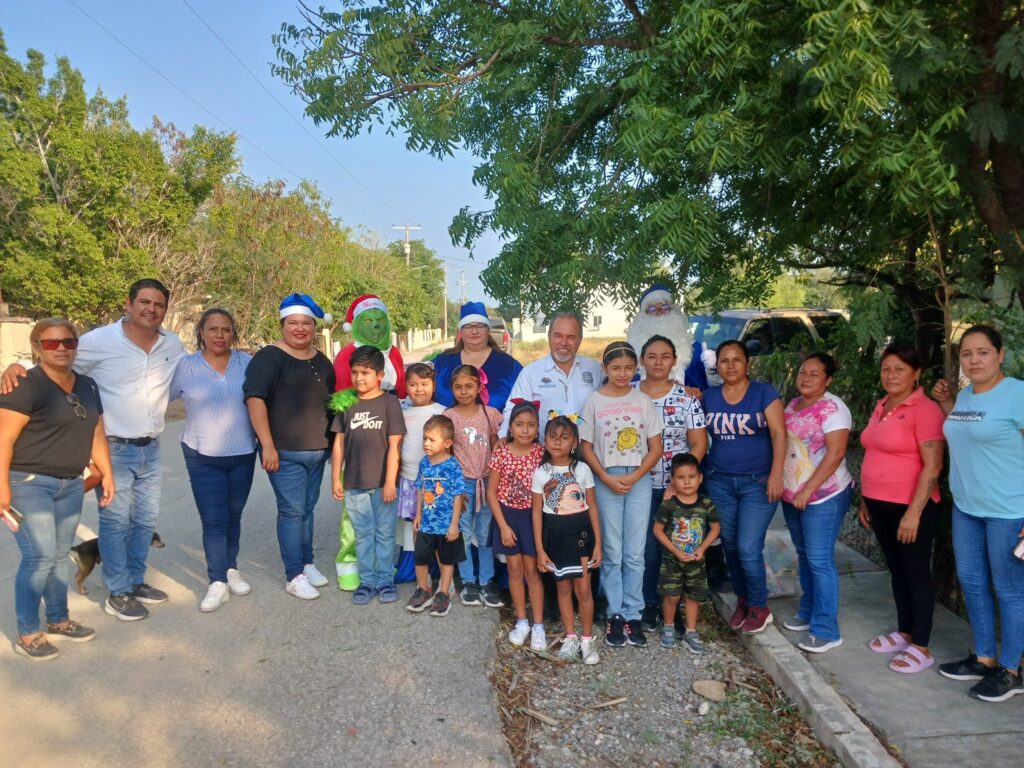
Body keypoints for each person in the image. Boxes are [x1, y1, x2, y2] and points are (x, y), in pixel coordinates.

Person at [2, 278, 186, 621]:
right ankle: (118, 591)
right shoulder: (98, 341)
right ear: (129, 304)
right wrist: (17, 371)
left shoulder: (172, 344)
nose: (151, 309)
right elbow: (56, 362)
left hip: (152, 448)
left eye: (159, 304)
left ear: (165, 309)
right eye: (144, 302)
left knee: (144, 521)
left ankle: (135, 579)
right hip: (114, 447)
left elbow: (193, 374)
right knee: (115, 523)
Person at [0, 319, 114, 660]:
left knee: (59, 556)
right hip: (28, 483)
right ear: (38, 347)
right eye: (51, 343)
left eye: (67, 341)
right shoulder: (24, 383)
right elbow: (4, 437)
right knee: (40, 556)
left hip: (70, 485)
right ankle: (28, 631)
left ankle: (59, 620)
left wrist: (107, 474)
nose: (61, 347)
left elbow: (96, 434)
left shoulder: (89, 386)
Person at [932, 325, 1024, 702]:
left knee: (1009, 591)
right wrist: (947, 406)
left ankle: (1011, 670)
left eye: (983, 352)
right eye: (967, 354)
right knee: (971, 582)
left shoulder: (1017, 394)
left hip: (1009, 510)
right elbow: (969, 435)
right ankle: (985, 658)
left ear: (1000, 355)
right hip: (967, 508)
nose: (974, 360)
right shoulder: (966, 396)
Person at [858, 345, 945, 673]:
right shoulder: (882, 405)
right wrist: (866, 498)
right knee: (897, 571)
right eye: (886, 369)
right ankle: (905, 631)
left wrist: (913, 513)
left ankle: (922, 646)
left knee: (916, 574)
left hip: (911, 508)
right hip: (879, 505)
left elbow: (933, 467)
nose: (891, 375)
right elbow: (874, 452)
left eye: (899, 369)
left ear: (917, 373)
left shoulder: (926, 410)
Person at [244, 293, 336, 600]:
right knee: (292, 511)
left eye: (306, 323)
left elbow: (332, 404)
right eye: (293, 323)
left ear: (314, 327)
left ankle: (306, 562)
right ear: (282, 325)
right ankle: (293, 574)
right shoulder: (269, 357)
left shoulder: (322, 361)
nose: (300, 329)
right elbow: (255, 399)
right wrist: (266, 445)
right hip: (284, 453)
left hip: (317, 451)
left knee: (307, 511)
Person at [169, 308, 257, 613]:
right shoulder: (185, 367)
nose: (220, 335)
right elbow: (154, 398)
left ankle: (231, 569)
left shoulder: (247, 363)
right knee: (214, 520)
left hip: (243, 451)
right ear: (201, 333)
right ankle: (216, 581)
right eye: (213, 329)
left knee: (234, 516)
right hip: (201, 453)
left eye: (226, 329)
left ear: (233, 333)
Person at [580, 341, 664, 648]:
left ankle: (634, 614)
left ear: (636, 368)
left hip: (638, 479)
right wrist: (605, 477)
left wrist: (636, 475)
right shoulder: (594, 402)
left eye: (629, 368)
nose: (623, 373)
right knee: (612, 551)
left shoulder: (642, 401)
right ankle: (615, 614)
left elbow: (656, 448)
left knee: (635, 552)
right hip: (606, 480)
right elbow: (585, 446)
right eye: (616, 368)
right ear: (605, 369)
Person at [702, 340, 786, 635]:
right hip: (720, 481)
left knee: (747, 547)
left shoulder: (765, 394)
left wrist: (777, 475)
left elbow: (779, 435)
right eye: (724, 361)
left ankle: (760, 607)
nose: (731, 366)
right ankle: (744, 600)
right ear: (717, 365)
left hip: (757, 483)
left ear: (747, 363)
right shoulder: (709, 397)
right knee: (729, 546)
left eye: (737, 360)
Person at [779, 353, 854, 654]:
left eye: (814, 374)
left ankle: (826, 629)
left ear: (828, 379)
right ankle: (808, 612)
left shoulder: (834, 409)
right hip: (793, 494)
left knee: (820, 559)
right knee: (805, 554)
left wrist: (808, 490)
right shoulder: (793, 405)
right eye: (802, 372)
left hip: (824, 496)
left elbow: (835, 454)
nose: (806, 378)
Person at [636, 334, 708, 632]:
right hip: (638, 485)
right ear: (641, 361)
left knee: (678, 548)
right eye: (651, 356)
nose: (658, 362)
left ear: (674, 361)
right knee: (647, 549)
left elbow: (698, 445)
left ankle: (674, 606)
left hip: (677, 491)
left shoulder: (686, 399)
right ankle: (649, 604)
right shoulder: (627, 394)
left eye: (665, 356)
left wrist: (679, 485)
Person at [330, 346, 406, 605]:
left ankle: (385, 579)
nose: (359, 378)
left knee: (384, 534)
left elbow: (395, 445)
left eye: (365, 372)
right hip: (354, 482)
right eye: (354, 372)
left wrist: (389, 482)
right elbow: (338, 443)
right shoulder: (347, 402)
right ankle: (368, 581)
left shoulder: (389, 403)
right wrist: (335, 478)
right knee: (362, 534)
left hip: (383, 483)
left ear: (380, 374)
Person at [533, 416, 603, 664]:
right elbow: (536, 512)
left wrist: (598, 543)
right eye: (552, 437)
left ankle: (586, 639)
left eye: (564, 438)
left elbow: (592, 507)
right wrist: (540, 549)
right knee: (563, 587)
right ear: (545, 440)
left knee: (583, 588)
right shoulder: (541, 472)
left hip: (581, 535)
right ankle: (570, 637)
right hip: (554, 535)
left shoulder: (582, 470)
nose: (557, 442)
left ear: (574, 442)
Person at [486, 400, 546, 649]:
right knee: (514, 570)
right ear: (510, 428)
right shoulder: (501, 452)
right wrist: (503, 526)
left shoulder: (542, 454)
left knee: (532, 572)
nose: (525, 430)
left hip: (532, 518)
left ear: (537, 428)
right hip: (507, 518)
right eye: (519, 425)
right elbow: (491, 493)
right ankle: (521, 621)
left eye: (531, 425)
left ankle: (538, 626)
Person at [444, 365, 503, 607]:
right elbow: (446, 453)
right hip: (462, 485)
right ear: (451, 389)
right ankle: (468, 581)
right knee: (464, 533)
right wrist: (453, 487)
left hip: (488, 482)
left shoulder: (490, 414)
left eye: (469, 386)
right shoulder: (448, 417)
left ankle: (487, 581)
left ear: (479, 387)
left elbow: (497, 445)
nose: (464, 391)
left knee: (486, 534)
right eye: (458, 387)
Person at [653, 453, 720, 653]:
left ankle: (691, 631)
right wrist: (675, 551)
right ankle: (668, 626)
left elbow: (715, 528)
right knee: (671, 596)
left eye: (691, 477)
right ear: (672, 480)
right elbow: (657, 530)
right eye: (681, 478)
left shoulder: (706, 503)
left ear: (700, 478)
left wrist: (702, 549)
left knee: (693, 596)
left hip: (697, 560)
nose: (687, 482)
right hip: (672, 560)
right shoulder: (670, 504)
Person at [502, 312, 603, 433]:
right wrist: (504, 437)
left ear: (580, 340)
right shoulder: (531, 372)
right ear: (549, 336)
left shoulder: (594, 369)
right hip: (545, 449)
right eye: (558, 335)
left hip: (586, 448)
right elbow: (513, 410)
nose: (564, 342)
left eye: (571, 337)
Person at [408, 415, 466, 617]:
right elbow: (421, 489)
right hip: (426, 524)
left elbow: (458, 495)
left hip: (445, 526)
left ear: (447, 443)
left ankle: (443, 593)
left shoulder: (452, 466)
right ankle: (423, 589)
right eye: (425, 438)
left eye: (431, 440)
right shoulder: (424, 463)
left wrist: (454, 524)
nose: (426, 443)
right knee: (421, 558)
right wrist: (418, 515)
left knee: (447, 560)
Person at [396, 363, 447, 582]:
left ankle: (444, 575)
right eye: (413, 384)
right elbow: (396, 447)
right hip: (409, 480)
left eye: (424, 384)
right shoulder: (402, 412)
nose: (419, 389)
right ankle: (421, 574)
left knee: (437, 527)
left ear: (433, 385)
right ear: (405, 386)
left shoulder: (443, 411)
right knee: (415, 527)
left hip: (436, 483)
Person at [434, 301, 523, 414]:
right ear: (461, 330)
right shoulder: (442, 362)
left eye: (480, 325)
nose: (474, 331)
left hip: (497, 431)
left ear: (488, 329)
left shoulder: (510, 366)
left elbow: (523, 406)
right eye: (468, 326)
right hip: (446, 430)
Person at [333, 293, 406, 397]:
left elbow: (402, 385)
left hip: (395, 407)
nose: (376, 325)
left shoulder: (393, 351)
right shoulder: (346, 355)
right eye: (368, 320)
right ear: (357, 324)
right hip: (364, 409)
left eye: (380, 320)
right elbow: (342, 393)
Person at [624, 284, 693, 382]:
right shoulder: (629, 350)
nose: (659, 313)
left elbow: (704, 387)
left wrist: (711, 374)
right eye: (652, 309)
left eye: (665, 308)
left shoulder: (693, 347)